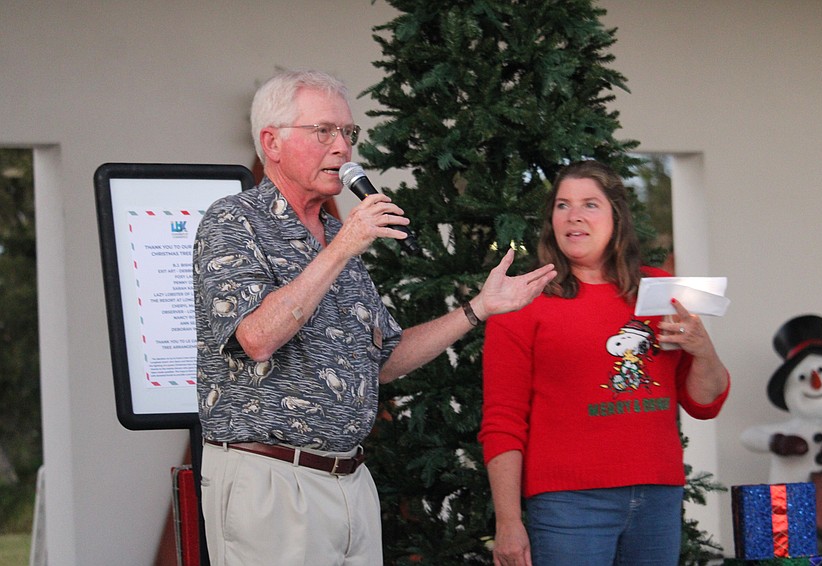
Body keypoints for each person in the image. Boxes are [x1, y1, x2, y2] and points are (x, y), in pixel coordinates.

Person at [192, 68, 557, 566]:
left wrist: (477, 310)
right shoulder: (234, 220)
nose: (342, 149)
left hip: (350, 480)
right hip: (271, 480)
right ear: (271, 142)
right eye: (323, 131)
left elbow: (383, 360)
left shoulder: (336, 236)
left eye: (347, 133)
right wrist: (343, 247)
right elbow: (255, 336)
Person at [478, 160, 730, 566]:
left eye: (589, 204)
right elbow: (502, 421)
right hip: (567, 503)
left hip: (657, 495)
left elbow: (705, 402)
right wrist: (508, 522)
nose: (574, 216)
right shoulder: (522, 300)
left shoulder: (660, 290)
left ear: (617, 216)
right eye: (562, 205)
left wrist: (704, 350)